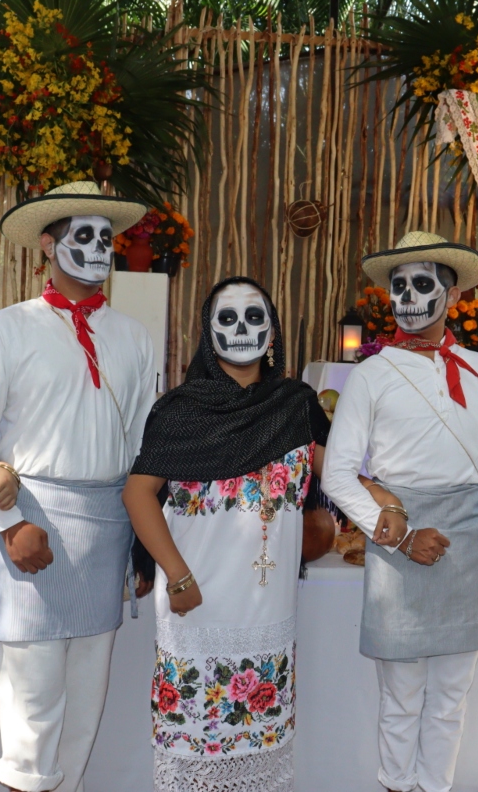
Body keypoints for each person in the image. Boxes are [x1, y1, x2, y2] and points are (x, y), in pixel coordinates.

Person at [124, 277, 401, 791]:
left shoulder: (294, 406)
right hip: (195, 601)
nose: (241, 328)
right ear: (208, 332)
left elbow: (335, 473)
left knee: (260, 756)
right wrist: (178, 576)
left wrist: (381, 496)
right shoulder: (180, 410)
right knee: (195, 753)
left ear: (272, 332)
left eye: (255, 317)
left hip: (267, 610)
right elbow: (138, 495)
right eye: (227, 318)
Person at [0, 180, 156, 792]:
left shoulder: (134, 336)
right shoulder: (7, 328)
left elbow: (144, 443)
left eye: (106, 238)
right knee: (31, 703)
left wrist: (142, 542)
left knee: (85, 706)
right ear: (48, 244)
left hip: (108, 526)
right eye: (82, 235)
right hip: (31, 523)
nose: (98, 248)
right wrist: (6, 526)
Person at [321, 231, 478, 792]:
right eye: (399, 286)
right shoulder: (370, 374)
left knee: (450, 699)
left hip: (472, 543)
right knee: (401, 698)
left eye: (422, 284)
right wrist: (400, 536)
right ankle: (395, 785)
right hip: (400, 542)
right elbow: (336, 475)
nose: (408, 297)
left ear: (453, 295)